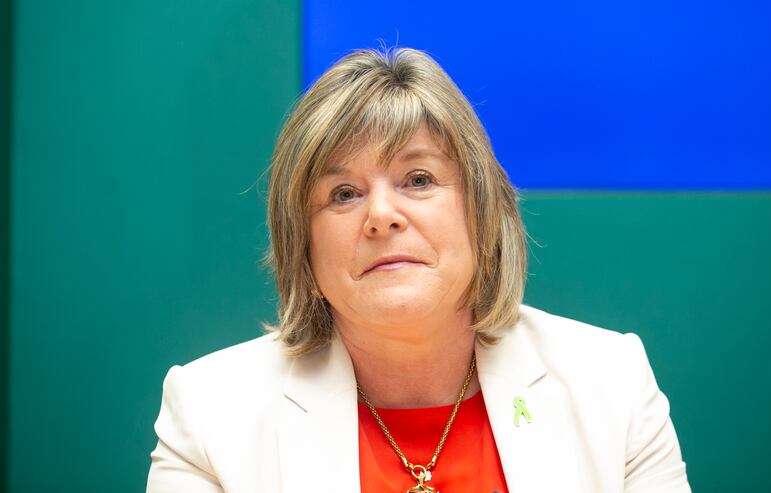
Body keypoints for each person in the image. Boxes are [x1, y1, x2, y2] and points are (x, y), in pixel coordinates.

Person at [146, 47, 691, 493]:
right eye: (344, 194)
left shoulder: (611, 383)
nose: (381, 215)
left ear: (482, 210)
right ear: (302, 246)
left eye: (419, 180)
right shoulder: (209, 413)